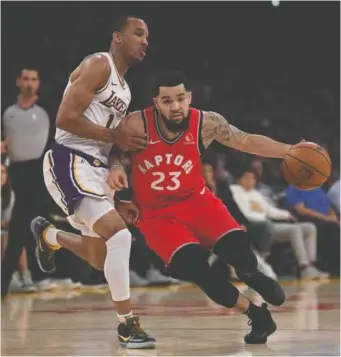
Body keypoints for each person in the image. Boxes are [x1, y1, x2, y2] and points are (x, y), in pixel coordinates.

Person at [107, 70, 297, 344]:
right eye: (167, 100)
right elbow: (113, 150)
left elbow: (245, 140)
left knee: (239, 252)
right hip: (156, 214)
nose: (175, 106)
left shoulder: (206, 123)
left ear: (189, 98)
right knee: (196, 268)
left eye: (180, 99)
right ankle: (256, 314)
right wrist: (115, 168)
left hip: (197, 202)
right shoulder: (136, 125)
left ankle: (251, 274)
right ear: (155, 102)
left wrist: (288, 150)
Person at [30, 16, 155, 349]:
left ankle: (49, 235)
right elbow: (65, 119)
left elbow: (112, 145)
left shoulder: (125, 91)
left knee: (100, 256)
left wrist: (116, 167)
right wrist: (115, 136)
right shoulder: (100, 63)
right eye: (138, 34)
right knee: (120, 235)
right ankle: (127, 324)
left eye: (147, 37)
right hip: (69, 158)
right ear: (117, 37)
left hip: (96, 169)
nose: (145, 41)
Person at [1, 67, 53, 296]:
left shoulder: (46, 109)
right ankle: (14, 277)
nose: (29, 83)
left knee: (33, 225)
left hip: (40, 171)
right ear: (18, 82)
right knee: (20, 225)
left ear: (39, 83)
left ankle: (25, 275)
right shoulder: (7, 111)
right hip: (16, 171)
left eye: (33, 79)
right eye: (25, 78)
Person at [231, 168, 329, 279]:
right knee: (294, 229)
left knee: (309, 227)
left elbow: (270, 210)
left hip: (268, 225)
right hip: (253, 226)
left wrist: (287, 215)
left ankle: (311, 266)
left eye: (253, 178)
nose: (250, 181)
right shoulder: (234, 191)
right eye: (247, 178)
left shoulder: (255, 194)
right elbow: (241, 213)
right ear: (239, 179)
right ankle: (304, 268)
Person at [285, 185, 340, 275]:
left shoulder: (318, 189)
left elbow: (329, 207)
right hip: (309, 221)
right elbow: (300, 210)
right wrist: (326, 218)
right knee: (332, 228)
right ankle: (335, 267)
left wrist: (334, 217)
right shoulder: (295, 188)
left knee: (334, 225)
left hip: (327, 220)